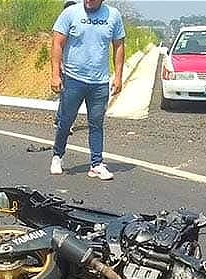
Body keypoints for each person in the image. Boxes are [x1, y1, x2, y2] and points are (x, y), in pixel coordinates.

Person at [49, 0, 125, 181]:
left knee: (96, 123)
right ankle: (57, 156)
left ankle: (96, 164)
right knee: (66, 121)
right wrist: (55, 74)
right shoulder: (70, 13)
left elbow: (119, 46)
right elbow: (57, 43)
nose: (89, 1)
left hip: (99, 82)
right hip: (73, 79)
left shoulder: (113, 15)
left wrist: (118, 76)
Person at [52, 0, 78, 135]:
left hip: (73, 69)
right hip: (66, 68)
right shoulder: (64, 27)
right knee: (68, 97)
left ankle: (60, 120)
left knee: (66, 97)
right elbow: (58, 47)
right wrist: (59, 67)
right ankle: (65, 123)